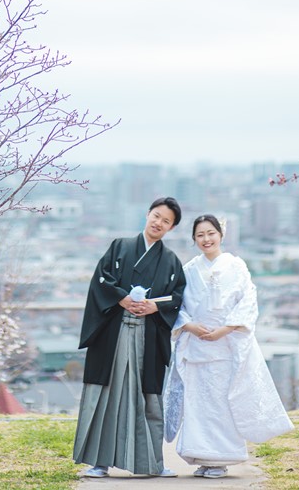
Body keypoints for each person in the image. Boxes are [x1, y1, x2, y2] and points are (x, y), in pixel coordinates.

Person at [164, 214, 294, 479]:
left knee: (223, 404)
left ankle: (221, 459)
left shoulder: (236, 266)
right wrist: (189, 326)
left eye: (210, 233)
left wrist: (225, 329)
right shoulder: (189, 269)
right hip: (198, 344)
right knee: (198, 404)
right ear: (194, 239)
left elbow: (248, 300)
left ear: (220, 235)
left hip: (225, 345)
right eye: (200, 235)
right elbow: (178, 304)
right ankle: (202, 456)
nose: (206, 239)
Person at [73, 197, 186, 478]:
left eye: (166, 221)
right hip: (113, 333)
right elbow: (101, 279)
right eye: (156, 216)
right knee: (107, 394)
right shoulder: (120, 247)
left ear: (171, 228)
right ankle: (99, 463)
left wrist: (155, 306)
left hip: (147, 335)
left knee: (146, 397)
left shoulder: (171, 261)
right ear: (147, 215)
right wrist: (122, 299)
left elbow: (178, 296)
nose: (158, 223)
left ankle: (152, 463)